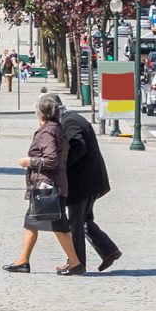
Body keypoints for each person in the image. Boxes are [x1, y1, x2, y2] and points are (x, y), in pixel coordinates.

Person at [4, 94, 82, 275]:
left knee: (57, 226)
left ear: (42, 113)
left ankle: (75, 263)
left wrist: (28, 161)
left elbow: (51, 159)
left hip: (47, 186)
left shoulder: (48, 131)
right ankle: (23, 260)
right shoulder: (56, 128)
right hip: (52, 184)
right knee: (33, 222)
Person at [60, 102, 121, 273]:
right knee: (83, 220)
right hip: (91, 181)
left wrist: (64, 165)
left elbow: (78, 146)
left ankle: (76, 264)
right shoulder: (72, 118)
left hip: (83, 183)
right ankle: (109, 250)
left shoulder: (69, 122)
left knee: (74, 223)